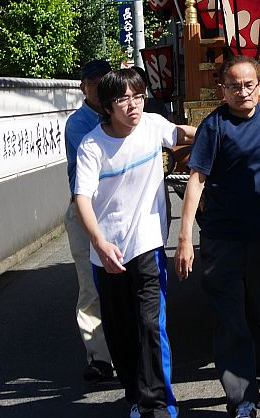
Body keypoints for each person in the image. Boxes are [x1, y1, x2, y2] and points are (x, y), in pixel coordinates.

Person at [175, 56, 260, 418]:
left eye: (249, 84)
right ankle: (241, 398)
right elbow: (196, 180)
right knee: (231, 320)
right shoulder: (214, 127)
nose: (242, 92)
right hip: (222, 239)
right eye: (234, 86)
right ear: (222, 90)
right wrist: (185, 237)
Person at [73, 69, 196, 418]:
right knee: (120, 330)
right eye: (124, 99)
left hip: (147, 244)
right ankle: (135, 397)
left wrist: (222, 129)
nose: (134, 106)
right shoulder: (92, 146)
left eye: (139, 97)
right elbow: (81, 198)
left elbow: (183, 133)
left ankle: (158, 403)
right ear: (107, 107)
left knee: (150, 324)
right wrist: (99, 242)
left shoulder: (153, 125)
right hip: (107, 252)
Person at [63, 59, 114, 383]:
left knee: (127, 284)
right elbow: (102, 157)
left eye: (104, 81)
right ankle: (99, 358)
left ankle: (129, 350)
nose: (99, 88)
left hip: (119, 211)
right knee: (91, 286)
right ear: (83, 88)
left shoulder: (121, 114)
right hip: (86, 213)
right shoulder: (78, 124)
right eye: (93, 83)